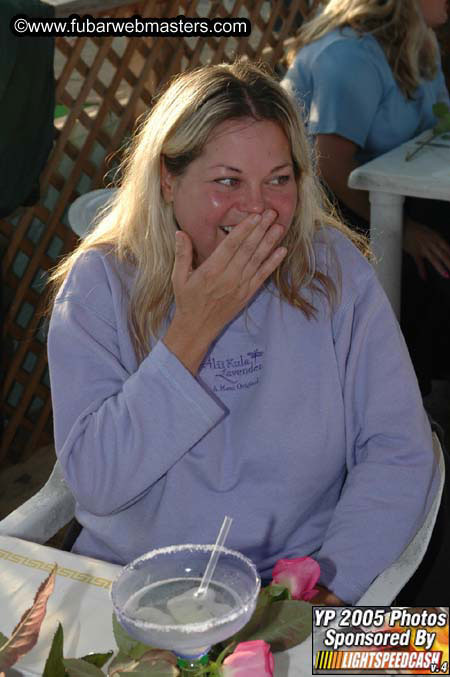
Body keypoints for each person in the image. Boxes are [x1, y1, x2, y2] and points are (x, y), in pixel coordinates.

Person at [47, 60, 438, 607]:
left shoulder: (334, 268)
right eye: (227, 181)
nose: (257, 208)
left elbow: (398, 449)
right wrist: (193, 330)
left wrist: (331, 583)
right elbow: (95, 481)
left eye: (278, 180)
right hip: (135, 592)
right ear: (168, 178)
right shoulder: (99, 283)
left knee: (427, 652)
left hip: (300, 586)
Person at [283, 0, 450, 398]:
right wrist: (404, 232)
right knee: (436, 253)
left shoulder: (418, 44)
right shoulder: (350, 55)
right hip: (318, 208)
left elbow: (435, 130)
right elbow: (330, 168)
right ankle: (404, 395)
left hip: (389, 192)